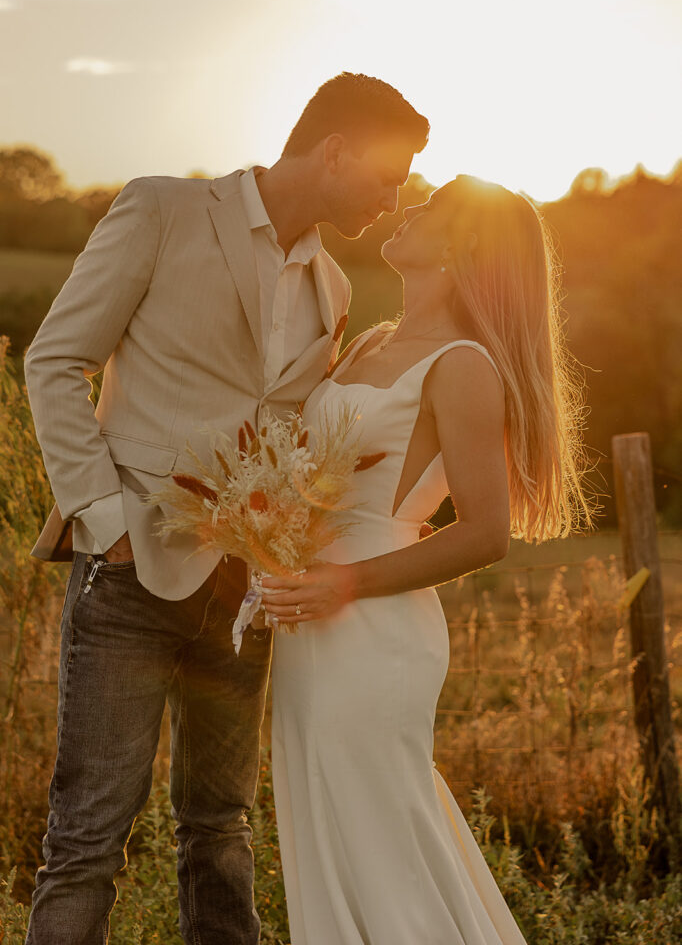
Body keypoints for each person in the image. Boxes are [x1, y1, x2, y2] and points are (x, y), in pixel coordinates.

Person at [22, 72, 429, 945]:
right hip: (128, 577)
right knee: (88, 836)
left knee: (222, 832)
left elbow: (291, 433)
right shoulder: (162, 210)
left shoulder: (334, 286)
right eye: (388, 177)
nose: (393, 202)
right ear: (334, 150)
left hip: (244, 594)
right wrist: (105, 520)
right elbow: (54, 361)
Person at [262, 175, 593, 944]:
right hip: (310, 620)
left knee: (382, 840)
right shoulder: (372, 340)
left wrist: (344, 583)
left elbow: (485, 533)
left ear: (462, 244)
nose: (407, 208)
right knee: (332, 830)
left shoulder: (463, 364)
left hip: (373, 627)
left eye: (430, 208)